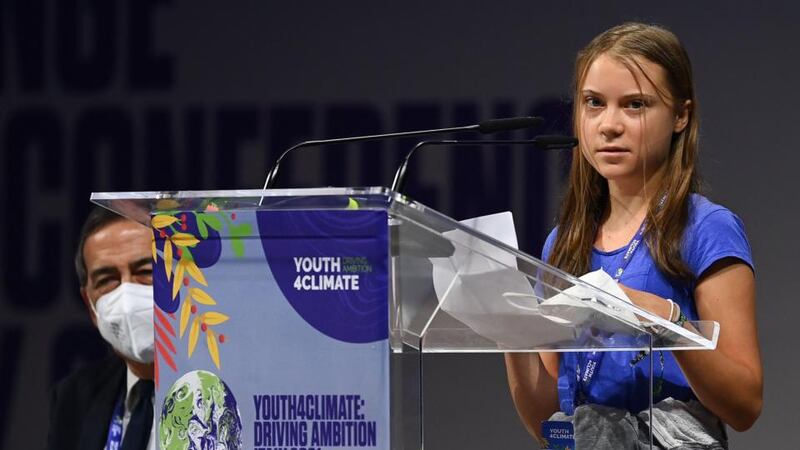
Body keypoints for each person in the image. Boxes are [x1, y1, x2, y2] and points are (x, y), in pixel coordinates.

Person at [505, 23, 762, 449]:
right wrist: (510, 335)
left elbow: (745, 404)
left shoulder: (706, 228)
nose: (609, 125)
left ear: (680, 115)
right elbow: (550, 424)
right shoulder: (561, 243)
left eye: (635, 105)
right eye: (594, 103)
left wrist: (670, 322)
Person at [48, 207, 156, 450]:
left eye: (146, 272)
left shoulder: (232, 388)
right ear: (90, 306)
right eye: (107, 280)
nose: (127, 295)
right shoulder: (74, 397)